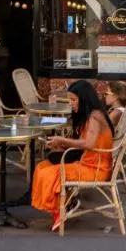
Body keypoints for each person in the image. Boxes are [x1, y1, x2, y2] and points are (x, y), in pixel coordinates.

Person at [30, 80, 115, 231]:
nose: (71, 103)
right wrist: (61, 144)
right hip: (87, 162)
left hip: (95, 169)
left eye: (74, 100)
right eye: (70, 100)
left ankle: (60, 208)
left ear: (85, 99)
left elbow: (88, 144)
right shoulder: (93, 114)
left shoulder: (95, 117)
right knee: (42, 166)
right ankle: (63, 204)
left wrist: (62, 140)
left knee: (50, 173)